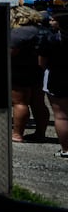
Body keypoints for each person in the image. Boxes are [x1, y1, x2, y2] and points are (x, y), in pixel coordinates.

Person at [10, 4, 50, 143]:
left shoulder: (18, 33)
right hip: (38, 71)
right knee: (38, 103)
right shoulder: (42, 30)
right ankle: (40, 133)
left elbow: (11, 53)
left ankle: (17, 134)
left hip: (20, 71)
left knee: (20, 103)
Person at [35, 10, 67, 156]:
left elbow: (42, 63)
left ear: (60, 23)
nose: (50, 21)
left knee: (61, 116)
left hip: (57, 77)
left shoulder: (50, 39)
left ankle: (66, 149)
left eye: (53, 20)